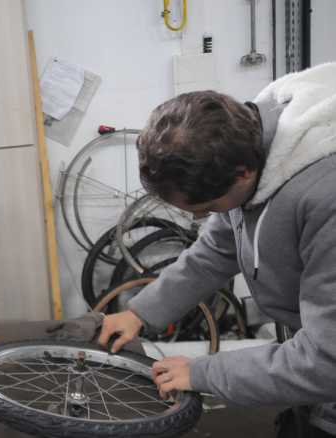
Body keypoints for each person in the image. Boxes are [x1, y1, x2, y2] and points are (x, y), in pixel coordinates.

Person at [98, 62, 336, 437]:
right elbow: (216, 250)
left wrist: (203, 372)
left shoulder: (326, 197)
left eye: (207, 209)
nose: (206, 218)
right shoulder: (253, 143)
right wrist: (139, 314)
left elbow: (326, 361)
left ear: (242, 172)